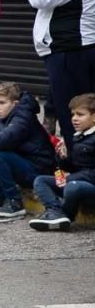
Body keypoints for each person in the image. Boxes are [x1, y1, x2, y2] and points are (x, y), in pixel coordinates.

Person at [19, 0, 95, 149]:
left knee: (73, 115)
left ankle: (78, 167)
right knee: (78, 112)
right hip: (72, 50)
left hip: (71, 52)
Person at [0, 83, 55, 218]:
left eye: (2, 103)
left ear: (15, 103)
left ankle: (14, 202)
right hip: (22, 166)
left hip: (38, 170)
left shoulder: (24, 118)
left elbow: (4, 140)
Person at [30, 93, 95, 231]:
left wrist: (70, 178)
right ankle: (55, 212)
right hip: (76, 181)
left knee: (73, 186)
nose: (74, 119)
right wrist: (62, 157)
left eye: (80, 114)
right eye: (73, 115)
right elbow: (74, 166)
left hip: (86, 187)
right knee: (41, 180)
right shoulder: (79, 137)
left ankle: (65, 215)